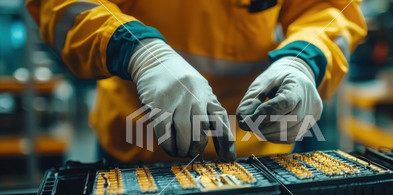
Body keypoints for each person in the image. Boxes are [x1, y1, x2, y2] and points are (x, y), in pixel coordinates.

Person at [26, 0, 367, 163]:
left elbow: (328, 8)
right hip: (137, 148)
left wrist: (304, 60)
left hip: (261, 156)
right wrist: (137, 51)